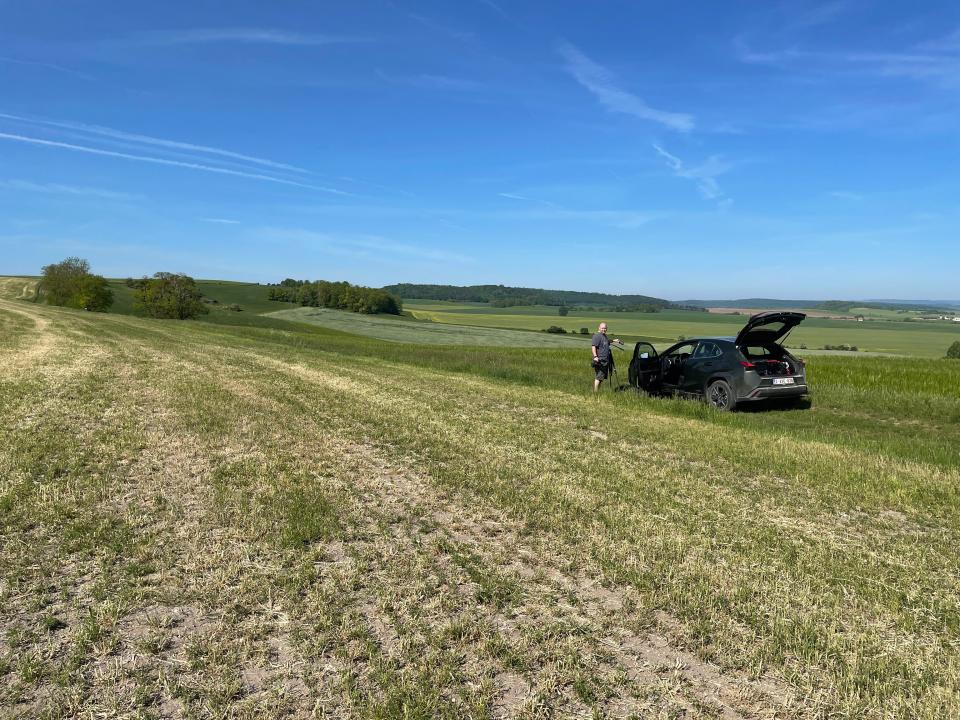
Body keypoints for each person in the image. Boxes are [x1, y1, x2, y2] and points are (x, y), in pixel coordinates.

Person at [591, 322, 622, 392]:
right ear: (599, 328)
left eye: (605, 328)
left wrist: (614, 340)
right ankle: (595, 392)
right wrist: (595, 356)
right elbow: (593, 347)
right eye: (602, 328)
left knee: (601, 378)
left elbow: (607, 341)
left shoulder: (604, 336)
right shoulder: (597, 336)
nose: (604, 329)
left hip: (605, 360)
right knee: (599, 377)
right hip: (600, 360)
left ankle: (597, 391)